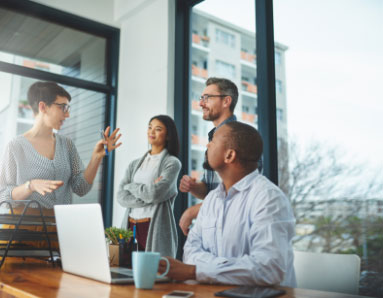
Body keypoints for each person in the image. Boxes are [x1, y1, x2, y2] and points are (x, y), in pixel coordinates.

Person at [159, 121, 296, 287]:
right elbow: (190, 252)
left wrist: (194, 271)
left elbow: (268, 269)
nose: (208, 144)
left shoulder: (268, 198)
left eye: (214, 141)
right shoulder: (211, 199)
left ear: (229, 156)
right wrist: (229, 269)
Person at [0, 81, 121, 248]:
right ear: (43, 107)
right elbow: (3, 194)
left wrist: (96, 157)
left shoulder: (67, 145)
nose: (67, 115)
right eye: (62, 107)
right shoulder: (16, 146)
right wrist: (31, 186)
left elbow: (81, 187)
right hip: (22, 231)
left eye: (68, 108)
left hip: (59, 229)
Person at [179, 77, 238, 235]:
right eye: (201, 98)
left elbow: (237, 193)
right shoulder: (213, 137)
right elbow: (208, 190)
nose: (201, 103)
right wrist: (193, 187)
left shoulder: (238, 137)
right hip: (215, 226)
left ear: (226, 101)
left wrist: (193, 211)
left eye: (207, 98)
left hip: (232, 228)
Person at [117, 115, 181, 258]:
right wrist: (147, 192)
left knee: (155, 272)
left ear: (168, 135)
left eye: (158, 129)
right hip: (130, 224)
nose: (151, 132)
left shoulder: (171, 163)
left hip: (152, 226)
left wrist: (131, 186)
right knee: (126, 271)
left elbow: (154, 194)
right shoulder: (134, 164)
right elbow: (121, 197)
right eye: (150, 127)